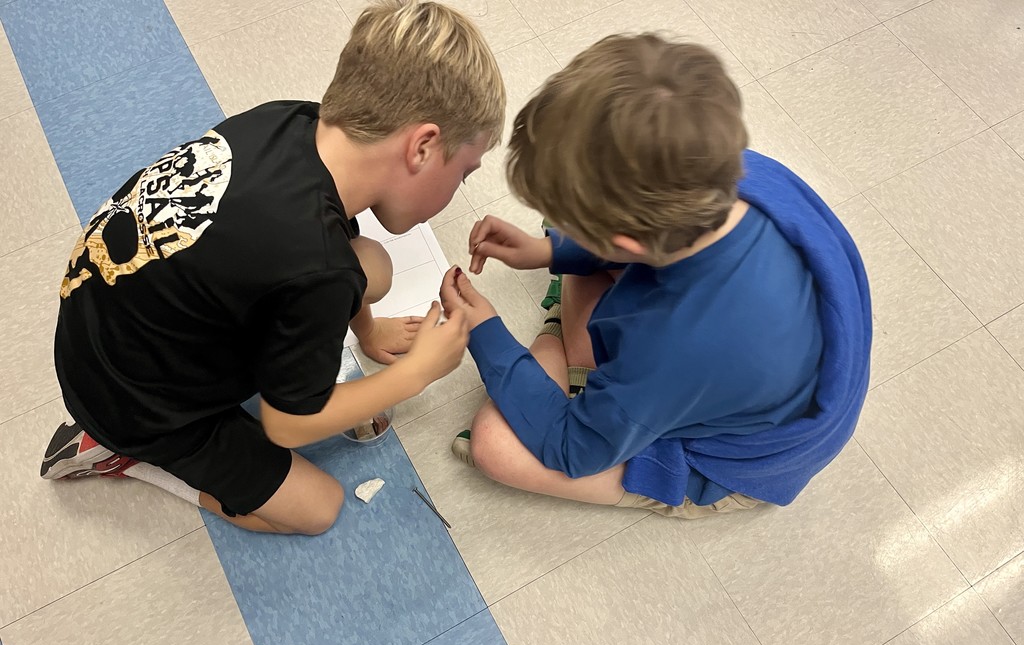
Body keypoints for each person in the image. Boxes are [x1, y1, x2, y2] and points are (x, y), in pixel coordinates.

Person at [39, 0, 506, 535]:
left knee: (370, 265)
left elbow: (319, 263)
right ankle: (119, 454)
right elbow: (288, 425)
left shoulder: (295, 122)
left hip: (100, 325)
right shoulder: (316, 268)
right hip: (134, 403)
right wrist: (414, 373)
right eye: (464, 173)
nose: (459, 189)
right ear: (422, 146)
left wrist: (369, 331)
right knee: (314, 508)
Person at [439, 34, 871, 518]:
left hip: (738, 460)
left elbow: (574, 450)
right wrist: (548, 250)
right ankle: (575, 363)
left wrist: (487, 336)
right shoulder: (729, 172)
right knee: (585, 295)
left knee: (494, 446)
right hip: (721, 365)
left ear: (627, 245)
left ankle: (564, 359)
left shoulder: (683, 347)